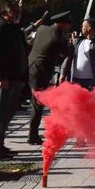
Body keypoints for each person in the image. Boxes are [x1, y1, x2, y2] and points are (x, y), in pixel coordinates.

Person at [0, 4, 29, 159]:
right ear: (5, 12)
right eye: (15, 11)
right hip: (2, 79)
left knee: (5, 114)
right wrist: (1, 77)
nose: (18, 14)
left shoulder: (11, 27)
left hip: (13, 77)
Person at [27, 11, 73, 145]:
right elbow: (68, 53)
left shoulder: (42, 28)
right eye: (68, 24)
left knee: (34, 102)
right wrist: (71, 44)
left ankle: (33, 133)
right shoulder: (58, 38)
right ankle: (32, 135)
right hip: (41, 72)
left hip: (31, 67)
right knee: (37, 104)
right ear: (63, 24)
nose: (69, 27)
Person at [61, 18, 95, 91]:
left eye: (83, 26)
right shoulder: (77, 42)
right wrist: (63, 74)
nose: (81, 28)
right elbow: (68, 59)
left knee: (89, 101)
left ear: (89, 28)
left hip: (90, 81)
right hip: (75, 79)